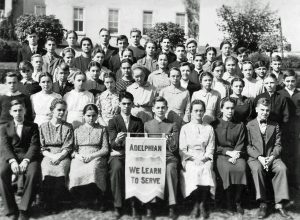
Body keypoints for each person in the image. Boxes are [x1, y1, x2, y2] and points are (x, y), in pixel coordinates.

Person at [247, 98, 292, 219]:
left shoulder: (274, 125)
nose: (264, 112)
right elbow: (248, 146)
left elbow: (278, 145)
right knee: (257, 169)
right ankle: (262, 203)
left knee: (282, 168)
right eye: (262, 110)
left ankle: (279, 203)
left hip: (272, 157)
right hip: (256, 157)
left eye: (267, 110)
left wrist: (272, 157)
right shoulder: (249, 125)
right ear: (256, 109)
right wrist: (260, 157)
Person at [0, 100, 40, 220]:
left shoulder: (33, 126)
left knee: (33, 173)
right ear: (11, 113)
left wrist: (26, 160)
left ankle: (24, 208)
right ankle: (11, 209)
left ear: (25, 111)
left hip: (28, 157)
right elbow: (5, 146)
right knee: (2, 173)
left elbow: (34, 145)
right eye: (15, 111)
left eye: (20, 110)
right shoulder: (5, 127)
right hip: (11, 157)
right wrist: (12, 161)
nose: (18, 113)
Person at [107, 91, 144, 219]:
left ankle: (134, 204)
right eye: (123, 104)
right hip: (117, 156)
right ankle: (118, 205)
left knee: (136, 168)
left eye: (129, 104)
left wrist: (122, 145)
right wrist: (117, 141)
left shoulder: (138, 122)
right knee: (116, 168)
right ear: (119, 104)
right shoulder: (113, 121)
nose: (126, 106)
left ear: (132, 105)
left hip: (133, 154)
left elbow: (139, 142)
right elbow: (113, 144)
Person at [144, 96, 179, 219]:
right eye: (158, 107)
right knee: (149, 169)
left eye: (163, 107)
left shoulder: (172, 124)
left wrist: (170, 142)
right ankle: (150, 206)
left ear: (167, 108)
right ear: (153, 109)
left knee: (170, 170)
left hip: (169, 157)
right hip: (153, 157)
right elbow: (144, 145)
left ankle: (171, 206)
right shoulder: (147, 125)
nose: (160, 110)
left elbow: (175, 148)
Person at [179, 100, 215, 219]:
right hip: (190, 158)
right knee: (193, 170)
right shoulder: (185, 128)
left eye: (201, 110)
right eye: (196, 110)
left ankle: (203, 204)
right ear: (191, 112)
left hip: (204, 157)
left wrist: (204, 159)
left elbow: (211, 147)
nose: (199, 113)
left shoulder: (209, 128)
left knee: (206, 169)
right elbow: (182, 148)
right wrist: (193, 159)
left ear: (204, 111)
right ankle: (195, 204)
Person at [69, 104, 109, 206]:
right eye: (88, 116)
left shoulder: (102, 129)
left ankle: (98, 198)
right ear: (83, 116)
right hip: (80, 156)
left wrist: (92, 156)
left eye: (94, 116)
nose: (91, 118)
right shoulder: (77, 130)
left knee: (93, 169)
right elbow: (73, 149)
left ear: (97, 116)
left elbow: (105, 149)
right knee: (74, 171)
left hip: (96, 156)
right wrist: (78, 156)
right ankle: (80, 198)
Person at [212, 97, 247, 214]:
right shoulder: (215, 124)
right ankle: (228, 201)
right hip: (221, 154)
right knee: (227, 169)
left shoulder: (240, 125)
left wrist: (235, 154)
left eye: (232, 108)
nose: (230, 111)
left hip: (236, 154)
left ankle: (237, 201)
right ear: (221, 109)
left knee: (241, 168)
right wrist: (227, 153)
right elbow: (213, 144)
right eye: (227, 108)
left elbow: (241, 143)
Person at [39, 98, 73, 212]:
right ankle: (47, 202)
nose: (61, 112)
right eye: (59, 110)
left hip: (63, 155)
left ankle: (56, 202)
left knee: (61, 170)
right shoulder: (43, 126)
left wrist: (59, 156)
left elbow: (68, 146)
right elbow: (42, 147)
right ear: (52, 110)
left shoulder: (68, 127)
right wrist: (52, 156)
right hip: (48, 155)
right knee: (47, 170)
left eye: (64, 110)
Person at [278, 70, 300, 189]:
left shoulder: (299, 93)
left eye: (292, 81)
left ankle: (295, 181)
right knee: (284, 153)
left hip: (296, 127)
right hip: (284, 128)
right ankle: (285, 181)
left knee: (296, 154)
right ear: (283, 81)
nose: (290, 83)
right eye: (288, 81)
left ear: (296, 81)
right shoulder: (280, 93)